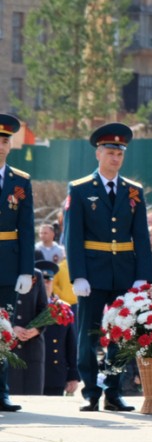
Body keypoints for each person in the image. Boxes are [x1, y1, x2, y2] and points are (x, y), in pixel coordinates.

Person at [65, 122, 152, 412]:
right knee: (89, 336)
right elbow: (73, 236)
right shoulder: (79, 190)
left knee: (121, 333)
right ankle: (91, 391)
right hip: (92, 272)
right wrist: (77, 274)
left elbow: (140, 236)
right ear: (98, 154)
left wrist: (142, 277)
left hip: (124, 273)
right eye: (111, 152)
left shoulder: (134, 191)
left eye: (120, 153)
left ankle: (113, 392)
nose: (116, 158)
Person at [0, 113, 35, 411]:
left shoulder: (20, 181)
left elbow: (26, 228)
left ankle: (1, 391)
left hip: (7, 267)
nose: (0, 145)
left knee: (3, 329)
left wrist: (26, 269)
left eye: (5, 140)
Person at [37, 260, 79, 397]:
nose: (45, 284)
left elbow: (71, 344)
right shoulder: (25, 307)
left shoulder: (62, 308)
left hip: (55, 375)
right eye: (41, 281)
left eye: (48, 281)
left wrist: (72, 374)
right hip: (28, 374)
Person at [8, 267, 47, 395]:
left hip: (32, 346)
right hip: (7, 346)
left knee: (33, 396)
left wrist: (37, 328)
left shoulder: (36, 274)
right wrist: (11, 326)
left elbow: (43, 309)